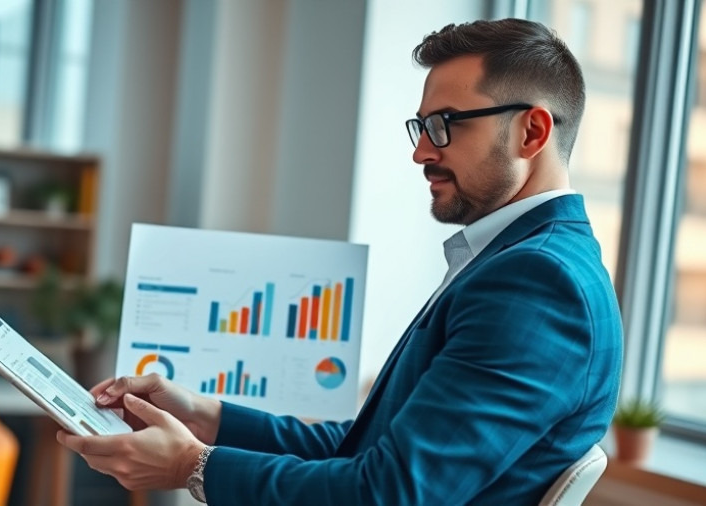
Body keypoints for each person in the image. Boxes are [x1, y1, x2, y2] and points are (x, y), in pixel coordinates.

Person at [57, 18, 623, 505]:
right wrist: (206, 416)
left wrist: (192, 466)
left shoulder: (537, 283)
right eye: (421, 127)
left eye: (444, 126)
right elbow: (365, 450)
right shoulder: (512, 261)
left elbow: (389, 492)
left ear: (532, 131)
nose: (422, 151)